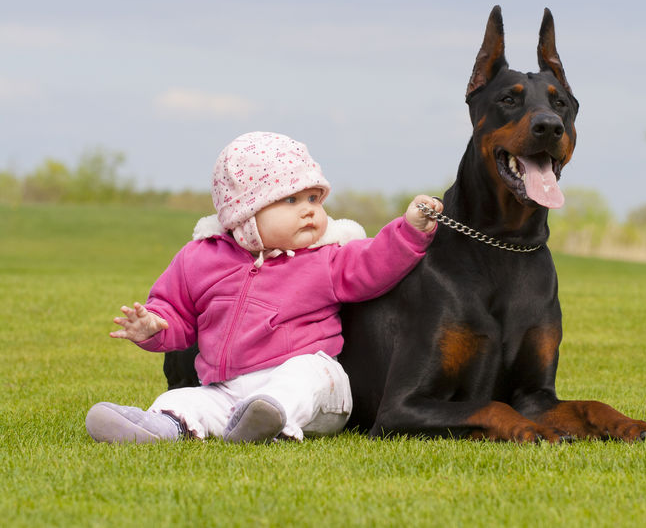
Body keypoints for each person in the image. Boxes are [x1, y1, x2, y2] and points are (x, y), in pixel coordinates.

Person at [85, 131, 441, 444]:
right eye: (291, 200)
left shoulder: (326, 257)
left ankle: (272, 416)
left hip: (317, 394)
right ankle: (159, 425)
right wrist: (153, 327)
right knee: (188, 398)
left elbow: (374, 263)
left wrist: (410, 229)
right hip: (228, 389)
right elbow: (175, 312)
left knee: (305, 374)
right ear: (245, 212)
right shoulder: (200, 258)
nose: (310, 211)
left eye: (315, 199)